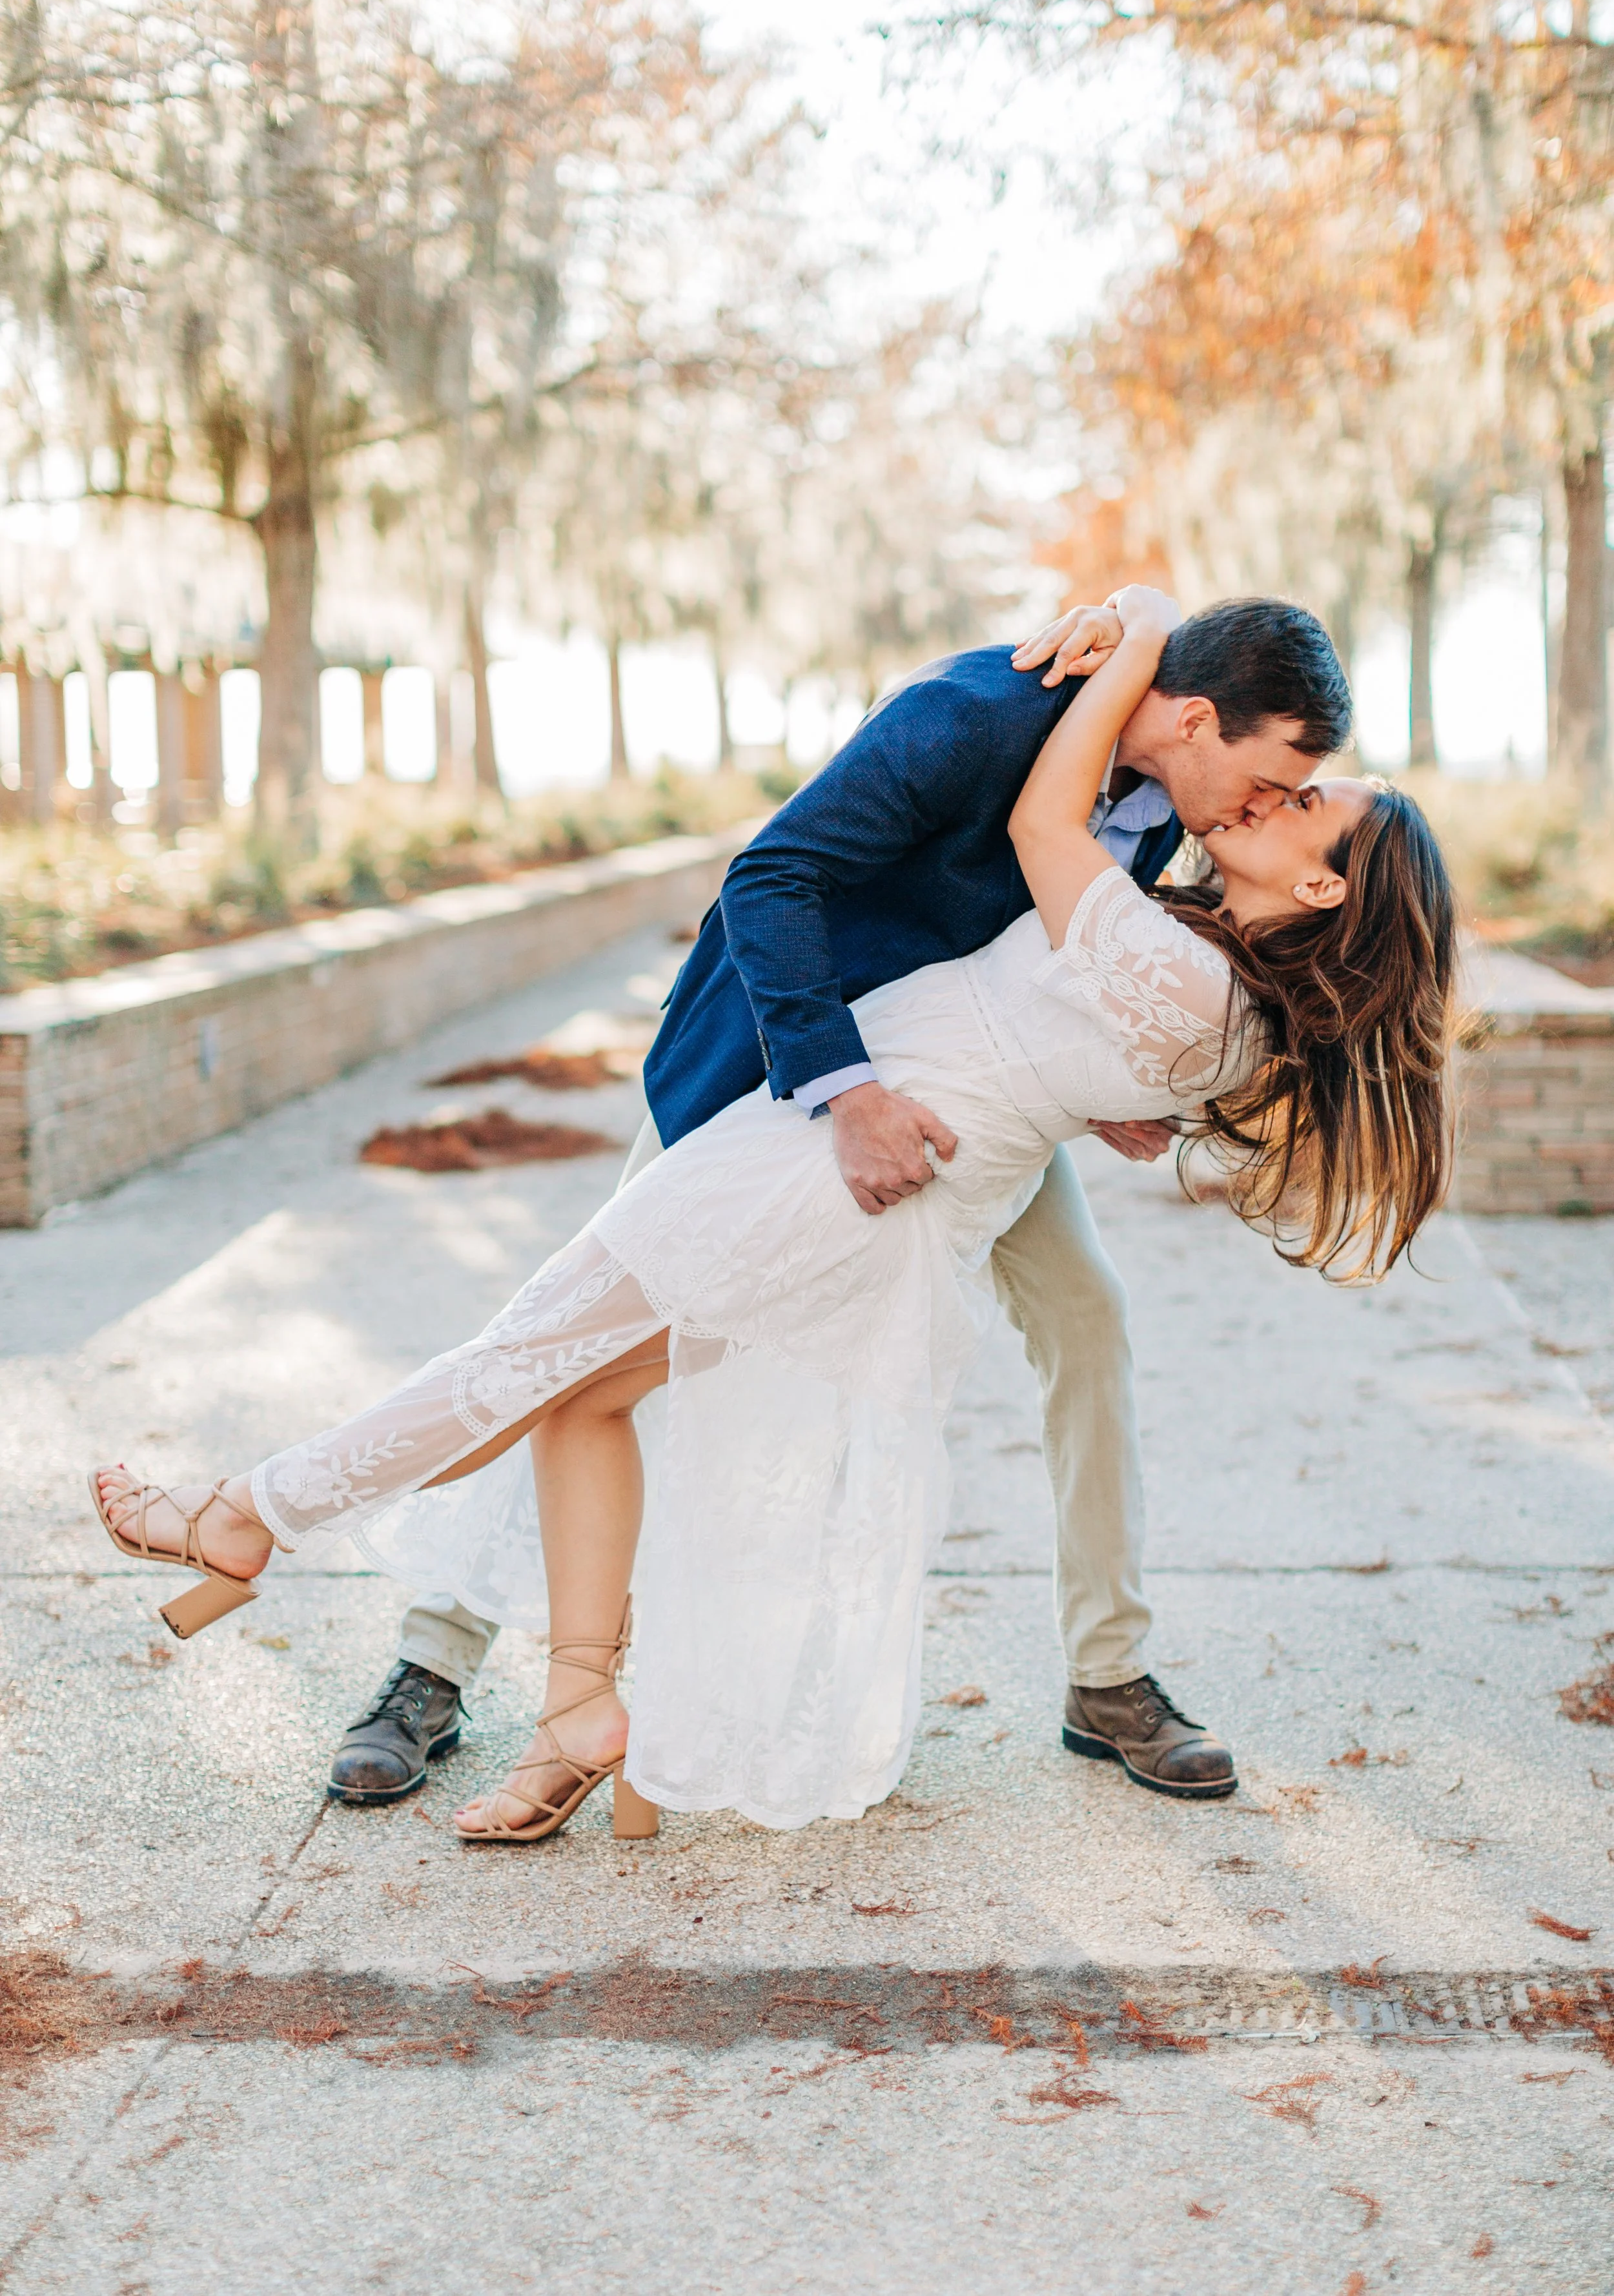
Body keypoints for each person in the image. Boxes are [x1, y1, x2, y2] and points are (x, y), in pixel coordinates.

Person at [91, 585, 1456, 1845]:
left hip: (861, 1166)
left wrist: (1146, 625)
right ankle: (565, 1706)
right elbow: (784, 879)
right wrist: (1042, 1069)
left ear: (1322, 883)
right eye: (1272, 779)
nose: (1260, 806)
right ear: (1200, 720)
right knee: (568, 1389)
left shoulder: (1172, 863)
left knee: (527, 1364)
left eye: (1293, 804)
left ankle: (250, 1514)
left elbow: (1057, 868)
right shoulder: (1006, 729)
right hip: (799, 1092)